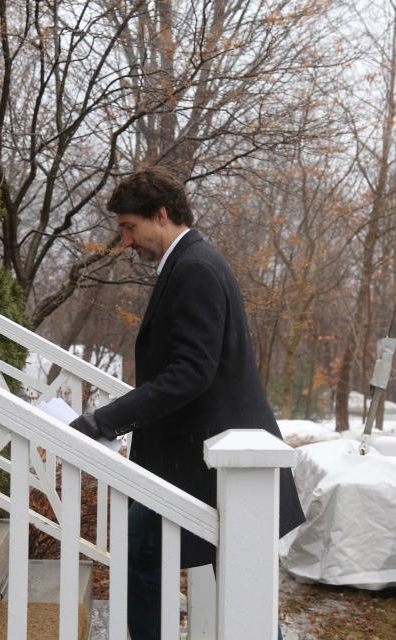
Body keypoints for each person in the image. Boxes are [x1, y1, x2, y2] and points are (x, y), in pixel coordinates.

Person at [69, 167, 304, 640]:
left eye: (130, 227)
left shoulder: (194, 268)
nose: (127, 241)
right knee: (221, 584)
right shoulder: (188, 264)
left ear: (161, 214)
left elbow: (192, 372)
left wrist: (106, 420)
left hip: (210, 466)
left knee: (227, 588)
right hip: (194, 463)